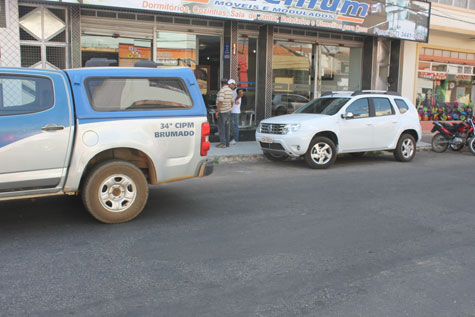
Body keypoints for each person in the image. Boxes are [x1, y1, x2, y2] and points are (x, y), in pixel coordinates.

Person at [215, 78, 234, 148]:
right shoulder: (230, 91)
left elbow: (220, 101)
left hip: (222, 112)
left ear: (221, 83)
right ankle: (227, 143)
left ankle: (223, 143)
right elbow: (232, 102)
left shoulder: (222, 91)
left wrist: (217, 111)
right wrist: (229, 108)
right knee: (227, 128)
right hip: (228, 111)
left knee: (221, 128)